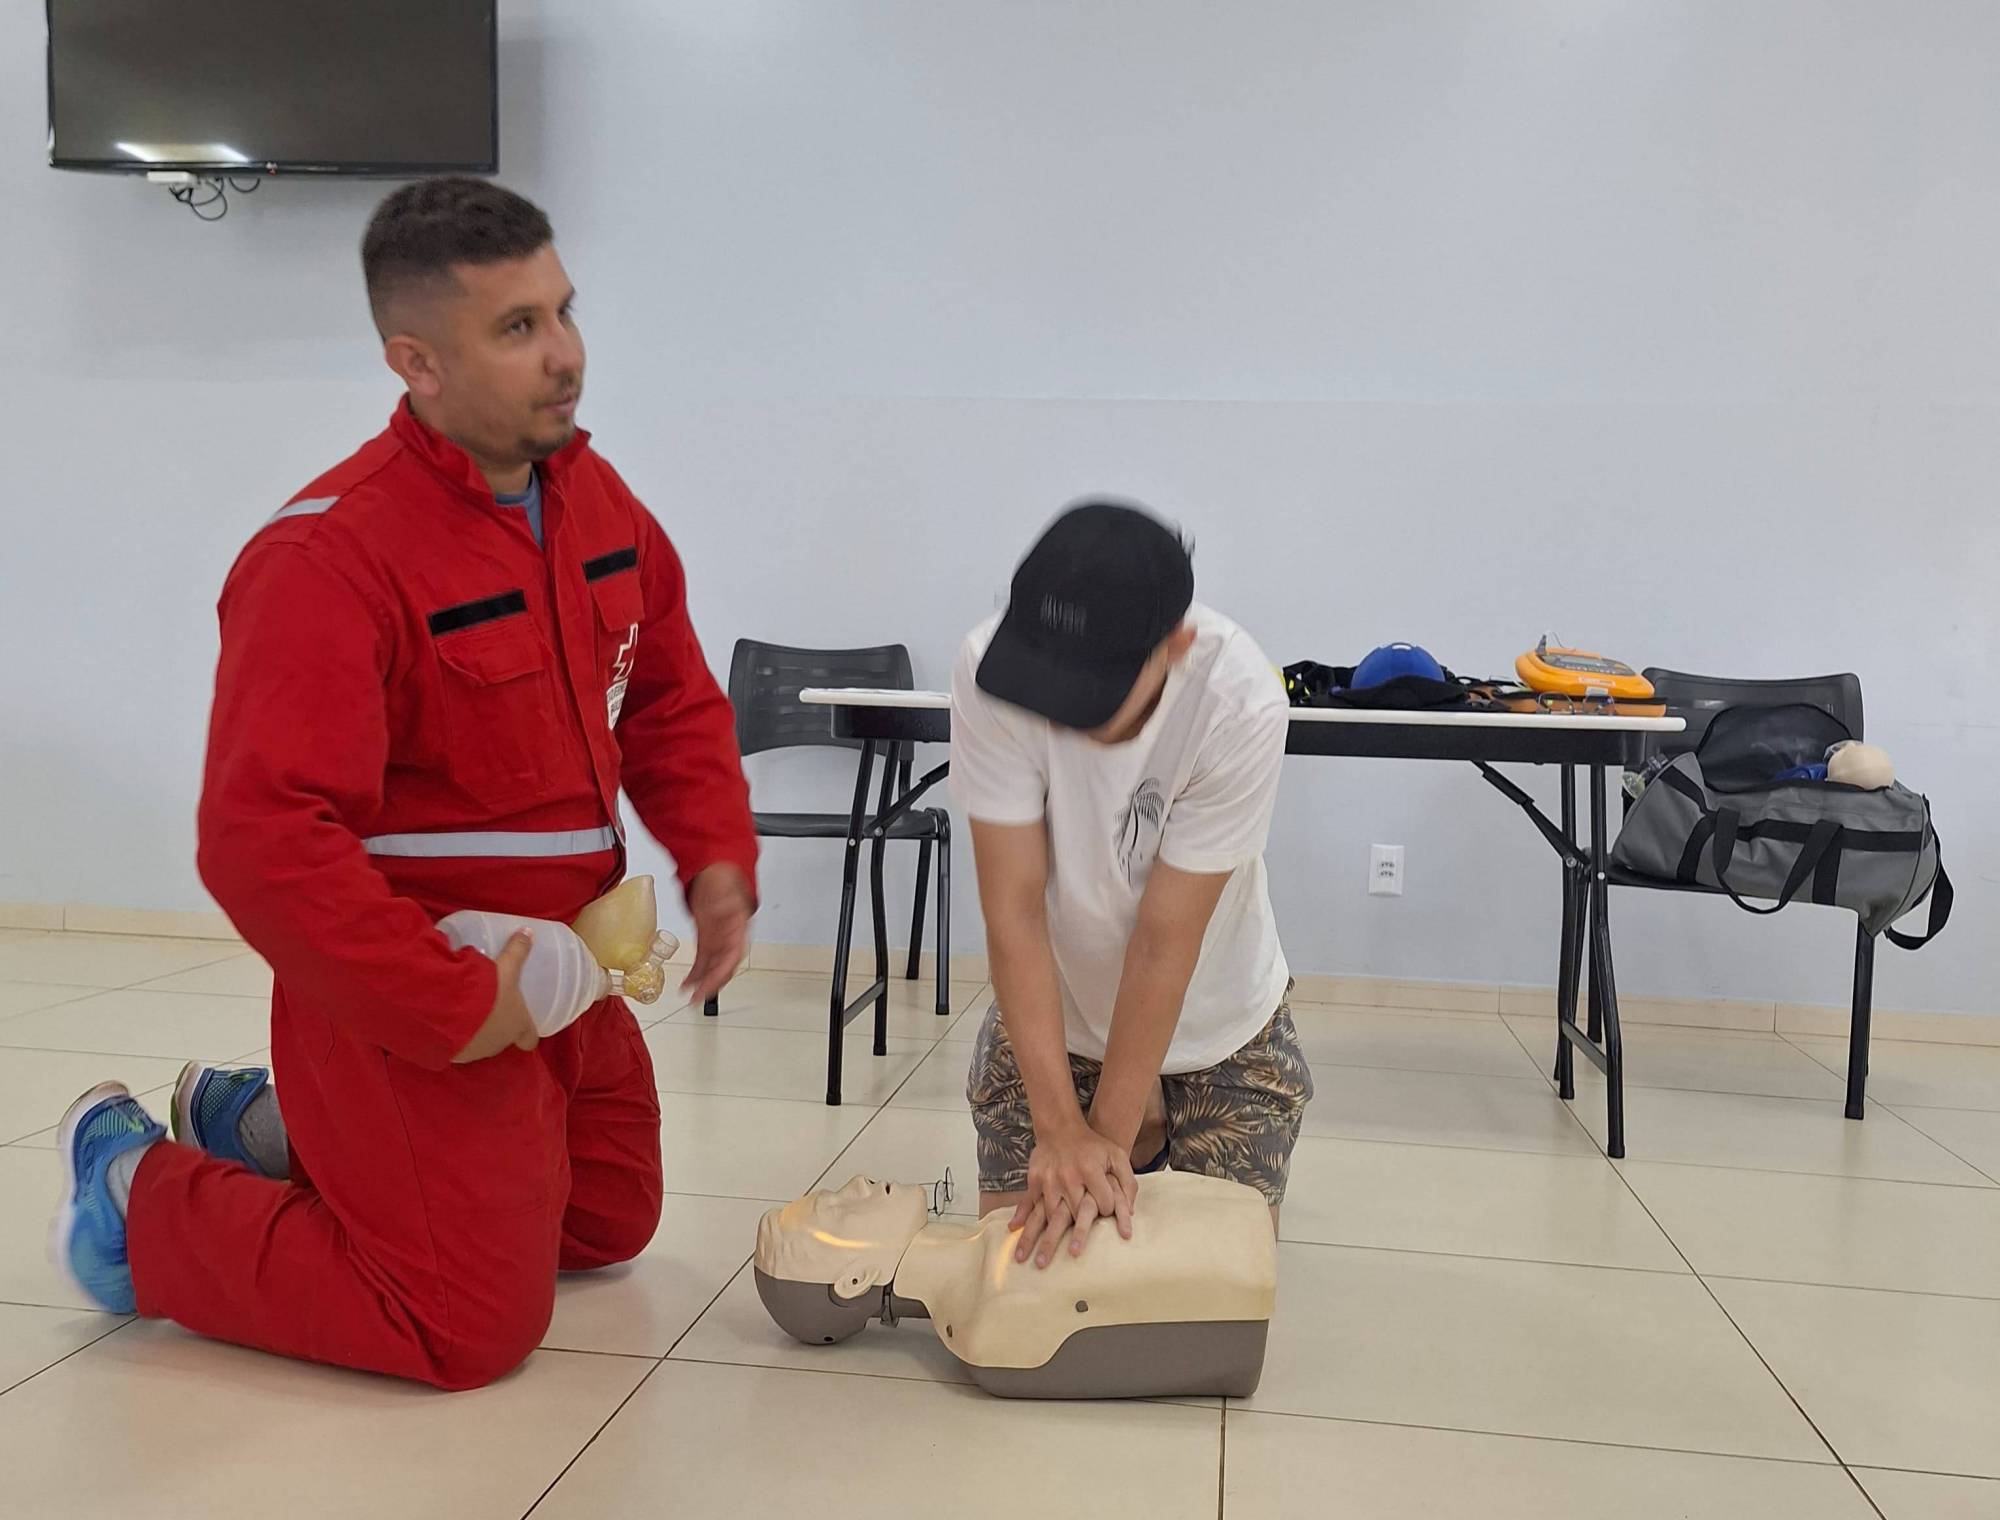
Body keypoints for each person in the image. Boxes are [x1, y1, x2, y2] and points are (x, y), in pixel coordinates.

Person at [49, 178, 759, 1390]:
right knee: (463, 1323)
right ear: (415, 361)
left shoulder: (596, 503)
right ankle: (135, 1192)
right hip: (422, 994)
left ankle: (259, 1124)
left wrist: (713, 852)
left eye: (562, 311)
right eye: (517, 329)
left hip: (564, 975)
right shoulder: (327, 557)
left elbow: (668, 693)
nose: (565, 357)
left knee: (604, 1224)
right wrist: (443, 1003)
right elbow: (260, 841)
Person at [952, 499, 1311, 1271]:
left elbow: (1163, 940)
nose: (1062, 712)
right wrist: (1058, 1129)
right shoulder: (991, 672)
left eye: (1091, 690)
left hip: (1220, 1020)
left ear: (1174, 647)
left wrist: (1103, 1148)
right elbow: (1012, 911)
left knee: (1211, 1304)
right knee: (1018, 1294)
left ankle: (1150, 1125)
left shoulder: (1238, 698)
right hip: (1058, 1016)